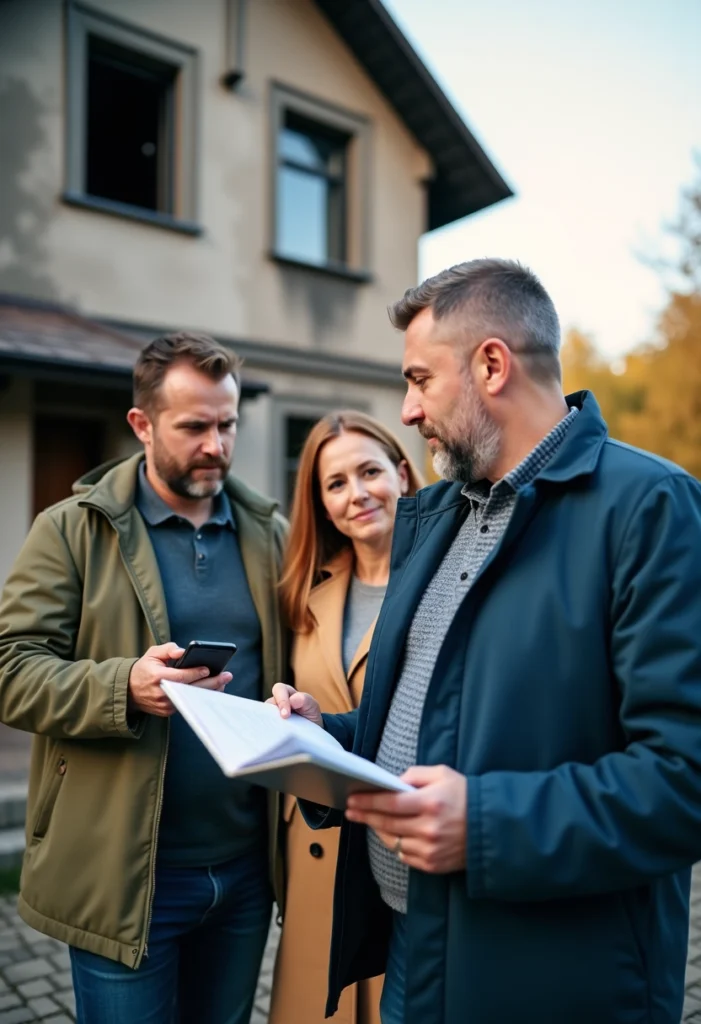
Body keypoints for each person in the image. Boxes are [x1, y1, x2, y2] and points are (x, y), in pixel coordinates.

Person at [270, 258, 701, 1024]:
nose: (405, 410)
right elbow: (427, 720)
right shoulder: (439, 518)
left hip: (546, 983)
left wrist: (489, 825)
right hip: (414, 953)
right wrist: (325, 736)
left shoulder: (652, 508)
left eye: (418, 380)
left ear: (491, 365)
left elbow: (683, 776)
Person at [0, 332, 287, 1024]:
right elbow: (10, 669)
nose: (217, 445)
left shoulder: (268, 532)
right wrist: (121, 686)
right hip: (127, 875)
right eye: (194, 427)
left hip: (246, 871)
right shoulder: (70, 529)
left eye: (228, 425)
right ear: (142, 424)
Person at [269, 411, 422, 1024]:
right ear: (321, 503)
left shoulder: (442, 584)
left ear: (403, 474)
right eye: (336, 483)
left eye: (369, 471)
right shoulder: (305, 593)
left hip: (400, 851)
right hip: (313, 847)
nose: (356, 493)